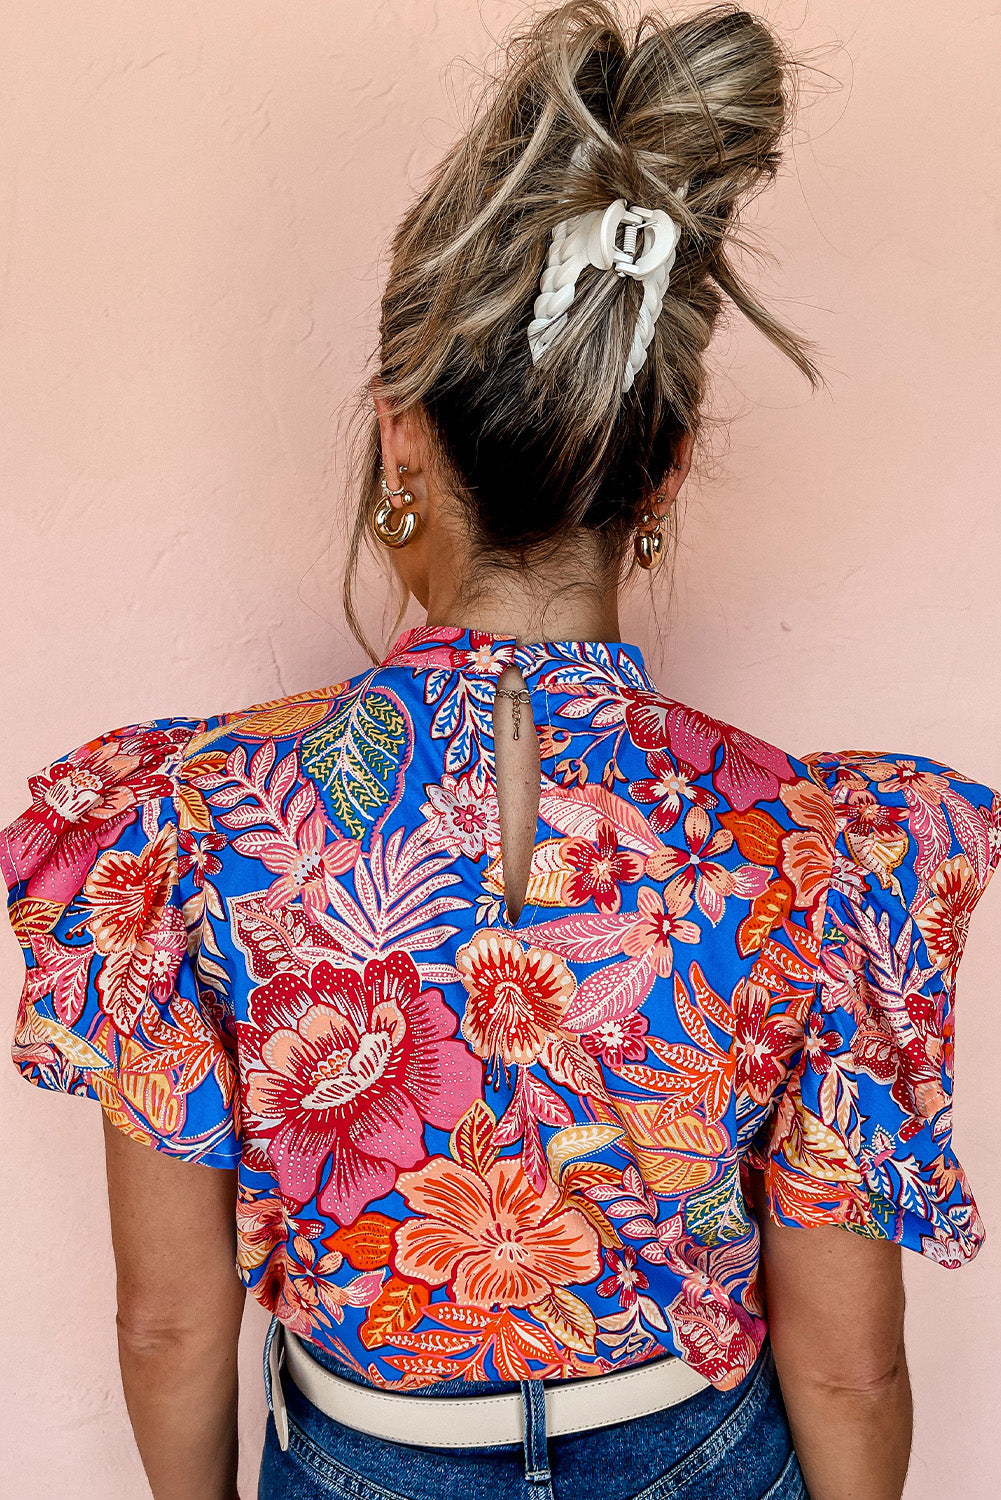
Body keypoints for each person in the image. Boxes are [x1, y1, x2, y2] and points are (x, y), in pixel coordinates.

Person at [3, 3, 998, 1498]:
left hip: (365, 1459)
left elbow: (163, 1321)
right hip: (701, 1451)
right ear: (656, 472)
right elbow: (849, 1358)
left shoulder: (181, 823)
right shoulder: (821, 846)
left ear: (404, 440)